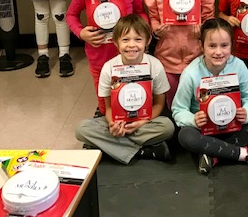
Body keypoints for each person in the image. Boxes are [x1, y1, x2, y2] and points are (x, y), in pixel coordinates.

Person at [172, 18, 248, 173]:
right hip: (204, 130)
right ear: (202, 46)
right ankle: (243, 154)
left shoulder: (238, 66)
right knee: (185, 136)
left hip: (233, 126)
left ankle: (214, 154)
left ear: (231, 46)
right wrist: (193, 120)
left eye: (224, 46)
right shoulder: (191, 73)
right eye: (212, 46)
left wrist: (247, 113)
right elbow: (178, 109)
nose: (218, 52)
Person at [75, 15, 175, 164]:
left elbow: (159, 103)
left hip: (144, 121)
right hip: (118, 120)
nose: (131, 45)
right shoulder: (109, 68)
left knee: (168, 127)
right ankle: (142, 151)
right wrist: (112, 124)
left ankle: (111, 146)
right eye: (125, 39)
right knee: (81, 129)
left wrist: (141, 122)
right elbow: (108, 107)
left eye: (138, 39)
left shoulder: (155, 65)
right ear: (116, 42)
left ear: (147, 41)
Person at [67, 0, 147, 115]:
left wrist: (143, 33)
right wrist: (81, 33)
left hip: (129, 55)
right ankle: (106, 123)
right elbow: (71, 15)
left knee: (131, 95)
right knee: (104, 100)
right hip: (99, 55)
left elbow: (140, 12)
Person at [144, 0, 216, 108]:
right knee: (171, 102)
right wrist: (156, 29)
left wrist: (204, 30)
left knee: (197, 101)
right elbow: (153, 17)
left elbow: (210, 18)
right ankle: (175, 129)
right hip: (167, 58)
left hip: (197, 57)